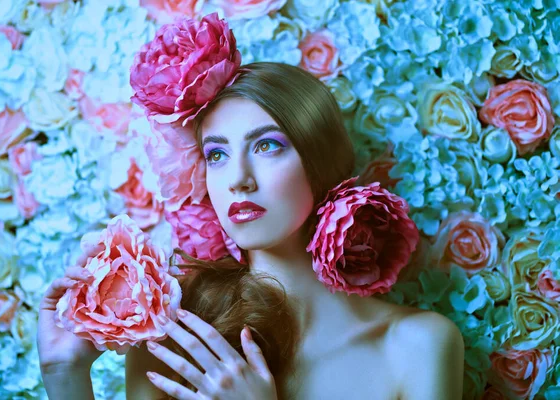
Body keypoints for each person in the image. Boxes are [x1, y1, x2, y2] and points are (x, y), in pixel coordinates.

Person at [37, 14, 465, 400]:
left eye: (267, 146)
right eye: (217, 154)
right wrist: (65, 377)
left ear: (320, 162)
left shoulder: (418, 345)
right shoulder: (175, 336)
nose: (238, 177)